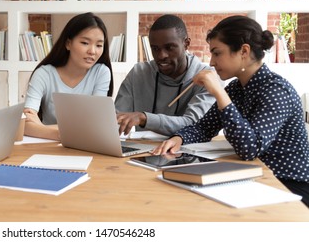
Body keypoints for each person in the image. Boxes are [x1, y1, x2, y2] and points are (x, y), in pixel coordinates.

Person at [153, 15, 309, 207]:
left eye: (217, 53)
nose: (211, 62)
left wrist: (219, 92)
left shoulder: (276, 90)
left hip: (288, 185)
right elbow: (204, 128)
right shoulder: (236, 88)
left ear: (244, 51)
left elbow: (249, 149)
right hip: (253, 177)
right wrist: (179, 139)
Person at [115, 14, 217, 136]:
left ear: (186, 44)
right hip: (142, 152)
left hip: (186, 153)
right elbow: (116, 117)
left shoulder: (207, 77)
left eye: (169, 47)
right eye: (155, 49)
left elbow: (195, 126)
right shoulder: (138, 73)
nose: (161, 55)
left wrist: (144, 118)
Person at [23, 12, 114, 141]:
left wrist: (41, 128)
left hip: (86, 147)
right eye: (85, 43)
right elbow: (25, 124)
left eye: (99, 45)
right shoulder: (44, 74)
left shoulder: (101, 72)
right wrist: (63, 134)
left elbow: (95, 126)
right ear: (68, 43)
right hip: (48, 147)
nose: (92, 51)